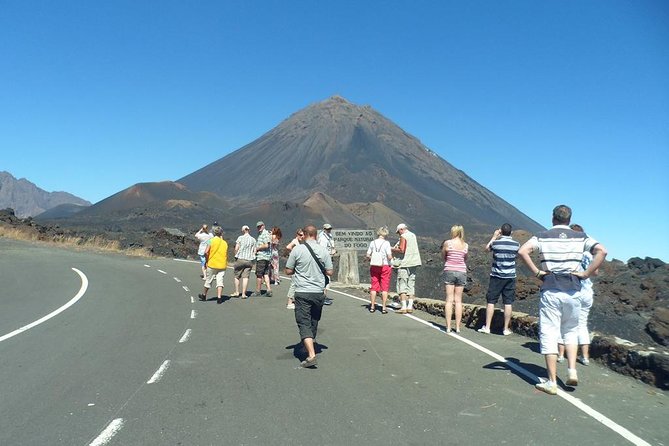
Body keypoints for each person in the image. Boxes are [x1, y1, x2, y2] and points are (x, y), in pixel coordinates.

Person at [518, 205, 607, 395]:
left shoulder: (542, 235)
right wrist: (585, 273)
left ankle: (552, 382)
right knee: (571, 331)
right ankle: (572, 370)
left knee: (550, 333)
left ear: (553, 218)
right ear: (569, 219)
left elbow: (523, 251)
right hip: (574, 291)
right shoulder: (581, 237)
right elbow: (602, 251)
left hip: (550, 289)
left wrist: (537, 272)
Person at [285, 224, 333, 368]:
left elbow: (288, 271)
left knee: (303, 321)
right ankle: (311, 342)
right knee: (314, 319)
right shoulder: (323, 250)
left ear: (304, 234)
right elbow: (330, 272)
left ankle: (311, 355)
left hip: (303, 291)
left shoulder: (297, 250)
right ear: (316, 235)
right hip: (319, 292)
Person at [557, 223, 597, 365]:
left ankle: (561, 355)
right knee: (582, 324)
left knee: (564, 322)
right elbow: (595, 271)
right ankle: (585, 357)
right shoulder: (587, 253)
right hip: (587, 292)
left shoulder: (570, 251)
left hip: (573, 291)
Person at [478, 223, 520, 336]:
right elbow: (518, 256)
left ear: (501, 231)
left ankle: (487, 327)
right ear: (511, 232)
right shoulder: (516, 244)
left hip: (496, 276)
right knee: (508, 302)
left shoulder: (496, 243)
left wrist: (494, 236)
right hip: (510, 276)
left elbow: (487, 249)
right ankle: (505, 329)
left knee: (491, 301)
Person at [442, 225, 468, 332]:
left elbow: (444, 256)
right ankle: (457, 327)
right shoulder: (465, 245)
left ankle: (448, 327)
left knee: (449, 300)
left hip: (449, 270)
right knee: (458, 301)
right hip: (461, 271)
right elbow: (465, 258)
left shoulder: (447, 243)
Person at [391, 223, 422, 314]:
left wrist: (392, 249)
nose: (399, 234)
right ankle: (410, 306)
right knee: (411, 285)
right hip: (414, 263)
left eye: (398, 232)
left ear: (401, 230)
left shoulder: (403, 236)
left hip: (404, 264)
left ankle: (404, 307)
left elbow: (402, 249)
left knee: (402, 285)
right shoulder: (413, 235)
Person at [365, 226, 393, 314]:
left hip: (374, 266)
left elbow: (368, 254)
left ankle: (372, 306)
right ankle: (384, 308)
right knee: (384, 287)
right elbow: (389, 256)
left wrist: (373, 257)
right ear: (386, 234)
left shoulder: (372, 243)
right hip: (384, 266)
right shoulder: (386, 243)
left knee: (374, 286)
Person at [198, 226, 228, 304]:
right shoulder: (224, 243)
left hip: (212, 263)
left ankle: (204, 295)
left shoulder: (211, 241)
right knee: (220, 281)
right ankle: (219, 298)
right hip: (222, 265)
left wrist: (207, 260)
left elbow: (206, 252)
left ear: (214, 233)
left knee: (208, 280)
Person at [232, 225, 256, 298]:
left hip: (240, 258)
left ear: (243, 230)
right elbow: (255, 251)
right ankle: (243, 294)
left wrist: (235, 255)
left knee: (237, 276)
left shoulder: (240, 238)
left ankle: (237, 292)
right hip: (249, 260)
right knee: (246, 277)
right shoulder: (253, 239)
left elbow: (236, 248)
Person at [285, 228, 305, 309]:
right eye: (300, 235)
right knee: (293, 283)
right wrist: (295, 252)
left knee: (298, 283)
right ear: (297, 235)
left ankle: (296, 300)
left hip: (298, 265)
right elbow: (288, 247)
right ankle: (289, 303)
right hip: (295, 265)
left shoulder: (300, 242)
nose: (302, 236)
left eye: (303, 235)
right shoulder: (295, 241)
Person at [253, 221, 273, 297]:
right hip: (267, 257)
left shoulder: (265, 234)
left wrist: (257, 248)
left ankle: (258, 291)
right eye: (258, 226)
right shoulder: (262, 234)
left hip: (262, 257)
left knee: (259, 274)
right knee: (265, 273)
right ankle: (269, 290)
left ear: (263, 226)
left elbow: (266, 245)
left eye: (260, 226)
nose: (259, 228)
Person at [318, 223, 337, 305]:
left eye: (330, 229)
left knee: (327, 278)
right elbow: (322, 251)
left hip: (328, 258)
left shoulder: (329, 236)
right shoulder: (322, 238)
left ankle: (324, 296)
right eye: (328, 229)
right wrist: (330, 253)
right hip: (325, 260)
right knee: (325, 278)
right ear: (324, 229)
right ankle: (323, 298)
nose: (329, 230)